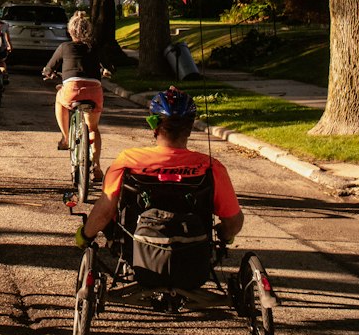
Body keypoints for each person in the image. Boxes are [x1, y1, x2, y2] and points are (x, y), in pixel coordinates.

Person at [75, 86, 244, 248]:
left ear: (154, 126)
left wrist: (85, 235)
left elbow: (105, 211)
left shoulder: (128, 161)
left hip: (136, 250)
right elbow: (233, 222)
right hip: (194, 254)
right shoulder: (210, 167)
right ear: (190, 128)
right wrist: (224, 235)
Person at [42, 11, 107, 181]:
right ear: (89, 31)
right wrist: (106, 70)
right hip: (94, 90)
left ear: (70, 31)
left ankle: (65, 137)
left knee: (59, 99)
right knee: (93, 129)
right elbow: (110, 66)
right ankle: (97, 167)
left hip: (72, 89)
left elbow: (48, 68)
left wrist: (49, 73)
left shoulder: (65, 47)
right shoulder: (95, 47)